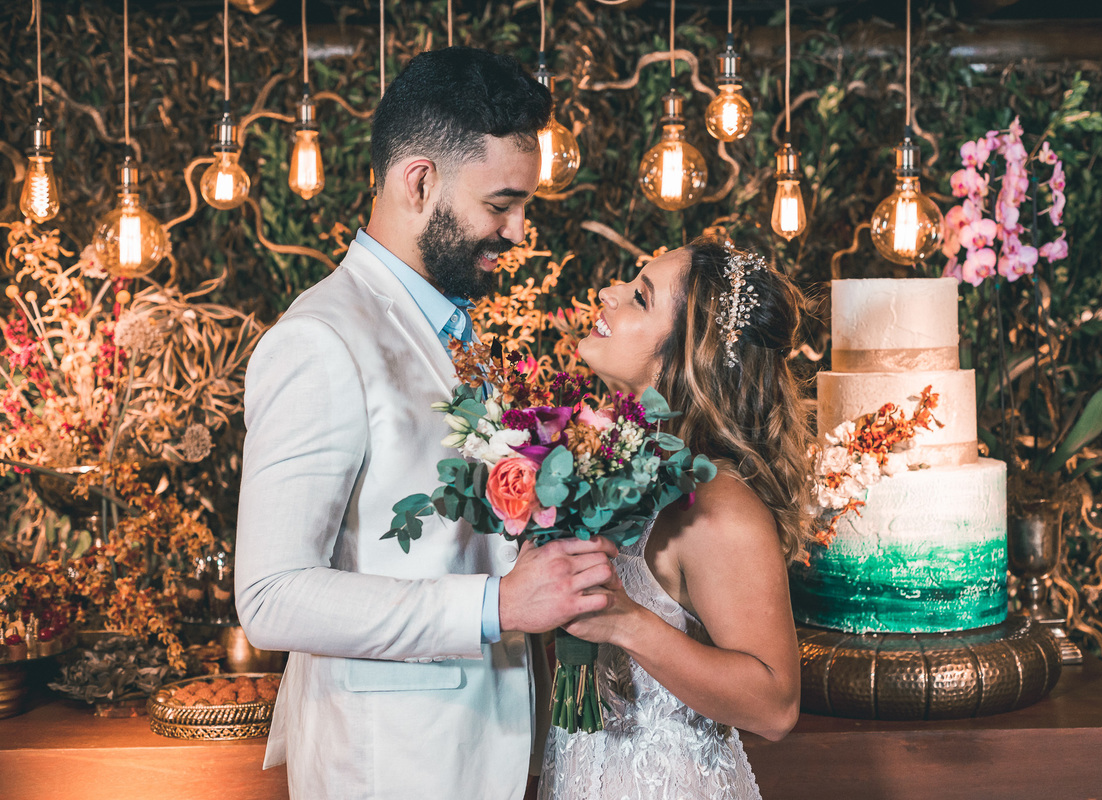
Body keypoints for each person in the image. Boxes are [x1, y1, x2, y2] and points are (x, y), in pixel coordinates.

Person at [234, 47, 618, 800]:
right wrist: (497, 605)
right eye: (502, 203)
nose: (517, 231)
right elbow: (271, 595)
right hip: (391, 766)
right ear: (420, 181)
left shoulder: (455, 331)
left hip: (487, 749)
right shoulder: (320, 339)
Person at [538, 238, 813, 799]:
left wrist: (624, 622)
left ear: (688, 352)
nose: (607, 294)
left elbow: (776, 705)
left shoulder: (718, 505)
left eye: (639, 297)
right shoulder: (623, 466)